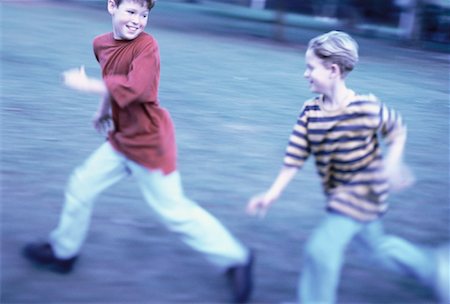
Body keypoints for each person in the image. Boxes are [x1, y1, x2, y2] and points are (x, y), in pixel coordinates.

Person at [22, 0, 253, 302]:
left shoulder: (148, 47)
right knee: (81, 185)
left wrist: (84, 85)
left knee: (174, 212)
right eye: (131, 11)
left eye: (144, 14)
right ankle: (64, 253)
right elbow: (111, 79)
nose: (138, 20)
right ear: (112, 7)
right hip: (122, 138)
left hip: (149, 141)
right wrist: (102, 110)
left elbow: (136, 89)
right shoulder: (101, 44)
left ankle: (237, 259)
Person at [247, 30, 449, 303]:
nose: (305, 74)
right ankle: (434, 267)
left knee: (321, 249)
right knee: (376, 248)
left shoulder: (364, 107)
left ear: (332, 70)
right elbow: (295, 155)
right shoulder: (310, 112)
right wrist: (272, 193)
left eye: (310, 68)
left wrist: (393, 162)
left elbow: (397, 129)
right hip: (339, 193)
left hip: (363, 193)